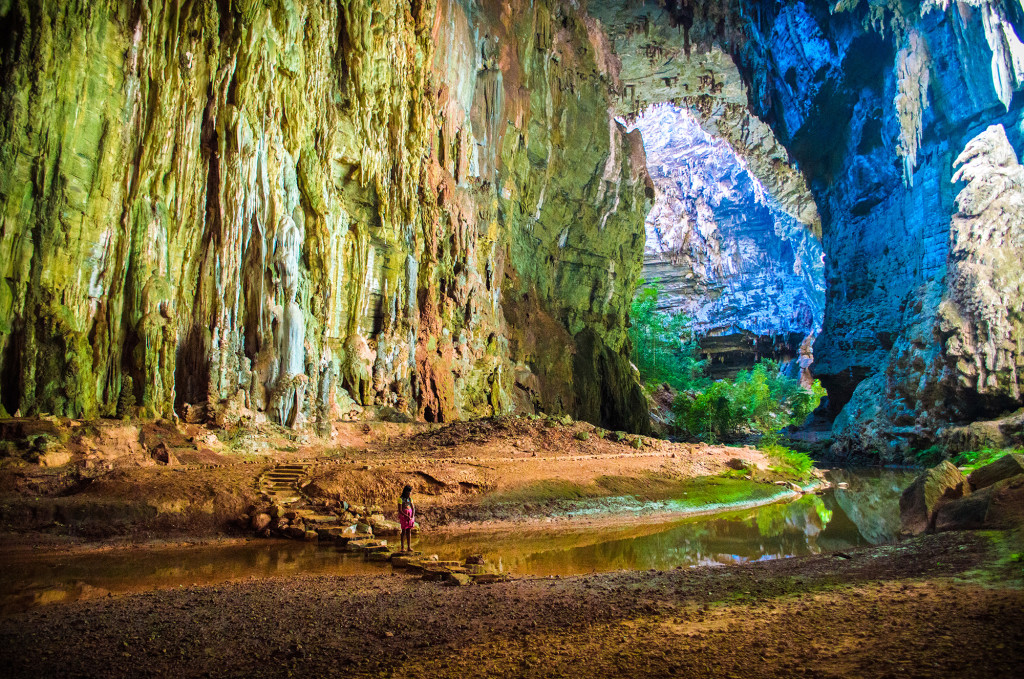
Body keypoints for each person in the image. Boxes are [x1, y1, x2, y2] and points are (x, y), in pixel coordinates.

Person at [398, 484, 416, 553]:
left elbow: (413, 507)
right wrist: (406, 515)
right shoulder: (401, 499)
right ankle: (402, 547)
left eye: (410, 492)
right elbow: (400, 510)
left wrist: (412, 516)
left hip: (410, 516)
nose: (409, 493)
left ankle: (409, 547)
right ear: (405, 492)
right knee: (403, 531)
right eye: (408, 492)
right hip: (404, 516)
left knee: (409, 531)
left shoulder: (410, 499)